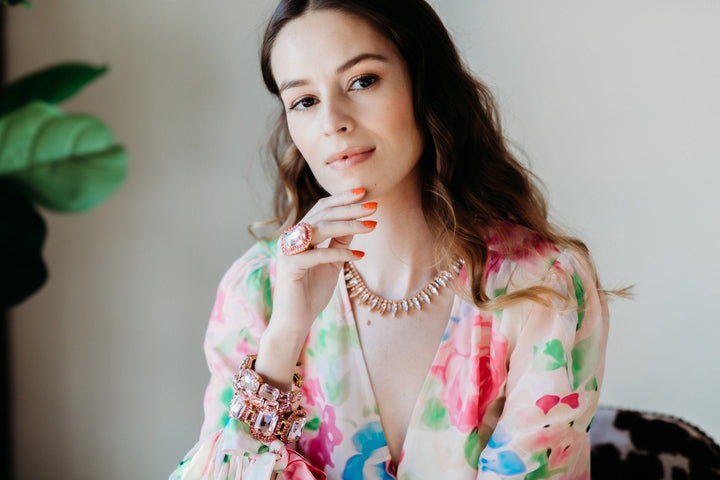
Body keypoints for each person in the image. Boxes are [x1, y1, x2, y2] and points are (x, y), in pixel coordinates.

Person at [171, 0, 609, 478]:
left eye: (362, 81)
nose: (332, 121)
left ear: (425, 85)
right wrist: (284, 339)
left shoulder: (542, 285)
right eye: (305, 101)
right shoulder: (255, 291)